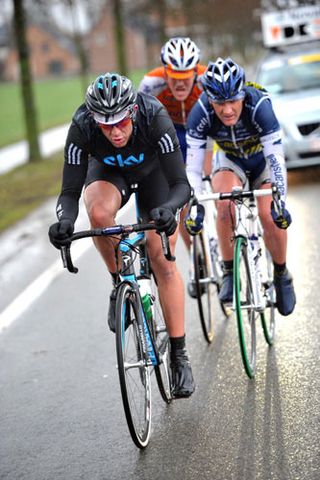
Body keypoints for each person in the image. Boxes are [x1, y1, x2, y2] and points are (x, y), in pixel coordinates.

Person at [48, 72, 195, 398]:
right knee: (98, 215)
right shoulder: (82, 126)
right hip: (110, 174)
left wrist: (170, 209)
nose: (114, 131)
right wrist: (65, 221)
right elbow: (70, 192)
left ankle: (180, 356)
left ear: (132, 112)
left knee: (162, 259)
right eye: (105, 124)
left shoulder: (154, 116)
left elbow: (182, 186)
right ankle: (119, 282)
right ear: (93, 119)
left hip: (155, 174)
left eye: (120, 122)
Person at [185, 57, 296, 316]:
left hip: (262, 161)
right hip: (230, 159)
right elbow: (192, 168)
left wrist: (281, 200)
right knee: (223, 205)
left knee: (269, 215)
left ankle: (282, 274)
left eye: (233, 100)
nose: (227, 110)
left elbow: (276, 159)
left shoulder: (259, 105)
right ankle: (229, 271)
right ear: (209, 99)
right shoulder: (200, 113)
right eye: (219, 103)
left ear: (243, 94)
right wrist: (195, 203)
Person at [138, 37, 212, 256]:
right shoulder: (151, 83)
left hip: (200, 131)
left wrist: (206, 173)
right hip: (169, 133)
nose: (180, 83)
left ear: (195, 73)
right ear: (165, 72)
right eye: (174, 77)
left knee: (208, 181)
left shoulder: (207, 79)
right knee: (179, 190)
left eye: (186, 77)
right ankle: (195, 255)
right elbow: (140, 123)